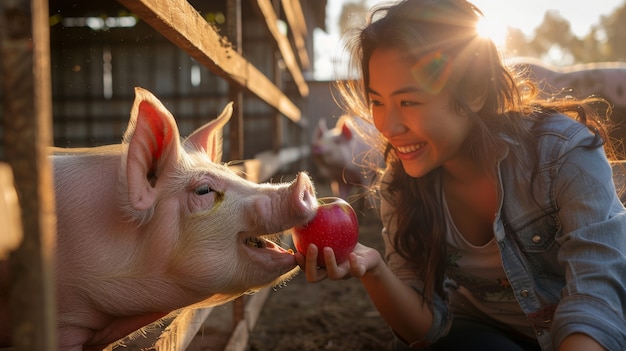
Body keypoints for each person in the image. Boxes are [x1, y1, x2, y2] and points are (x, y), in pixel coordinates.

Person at [294, 1, 626, 350]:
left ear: (475, 93)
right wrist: (373, 268)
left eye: (409, 102)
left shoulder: (561, 155)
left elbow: (597, 296)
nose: (388, 126)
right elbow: (424, 327)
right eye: (377, 102)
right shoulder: (401, 186)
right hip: (489, 336)